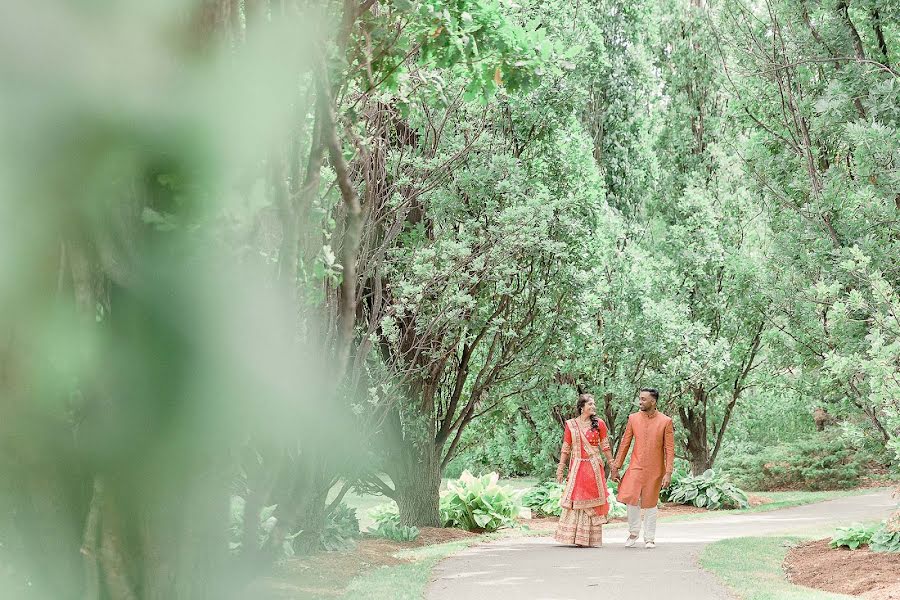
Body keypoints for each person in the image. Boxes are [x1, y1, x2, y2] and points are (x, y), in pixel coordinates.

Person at [611, 387, 675, 549]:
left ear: (653, 402)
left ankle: (649, 538)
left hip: (655, 469)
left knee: (651, 503)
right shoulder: (633, 418)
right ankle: (633, 533)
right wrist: (616, 466)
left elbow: (669, 449)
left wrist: (668, 473)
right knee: (631, 499)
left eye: (644, 399)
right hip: (635, 466)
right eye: (640, 398)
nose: (640, 401)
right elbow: (625, 443)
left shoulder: (665, 421)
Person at [554, 393, 620, 547]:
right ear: (581, 407)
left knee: (591, 500)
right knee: (577, 499)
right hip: (577, 467)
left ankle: (590, 538)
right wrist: (560, 468)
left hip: (593, 467)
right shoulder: (571, 425)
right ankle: (574, 537)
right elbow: (566, 448)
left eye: (594, 404)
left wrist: (612, 465)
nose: (593, 407)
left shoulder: (600, 424)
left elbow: (605, 446)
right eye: (590, 404)